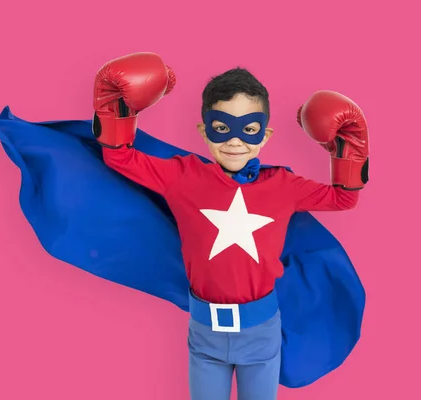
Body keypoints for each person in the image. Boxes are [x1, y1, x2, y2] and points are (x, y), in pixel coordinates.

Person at [92, 52, 369, 400]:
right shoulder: (182, 176)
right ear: (203, 130)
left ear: (265, 135)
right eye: (222, 128)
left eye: (248, 129)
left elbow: (343, 198)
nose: (235, 141)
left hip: (261, 331)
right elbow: (119, 155)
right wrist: (116, 104)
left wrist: (347, 148)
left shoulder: (282, 185)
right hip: (205, 331)